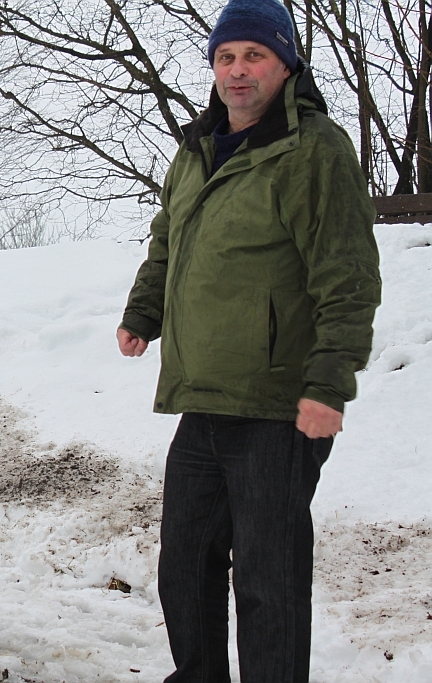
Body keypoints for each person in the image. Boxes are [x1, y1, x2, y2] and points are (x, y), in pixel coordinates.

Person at [116, 0, 381, 680]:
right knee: (185, 561)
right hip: (203, 395)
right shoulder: (196, 150)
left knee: (270, 579)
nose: (238, 70)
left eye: (254, 56)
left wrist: (328, 385)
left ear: (285, 63)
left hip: (276, 404)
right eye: (226, 57)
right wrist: (143, 313)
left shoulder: (314, 149)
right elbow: (167, 241)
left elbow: (346, 276)